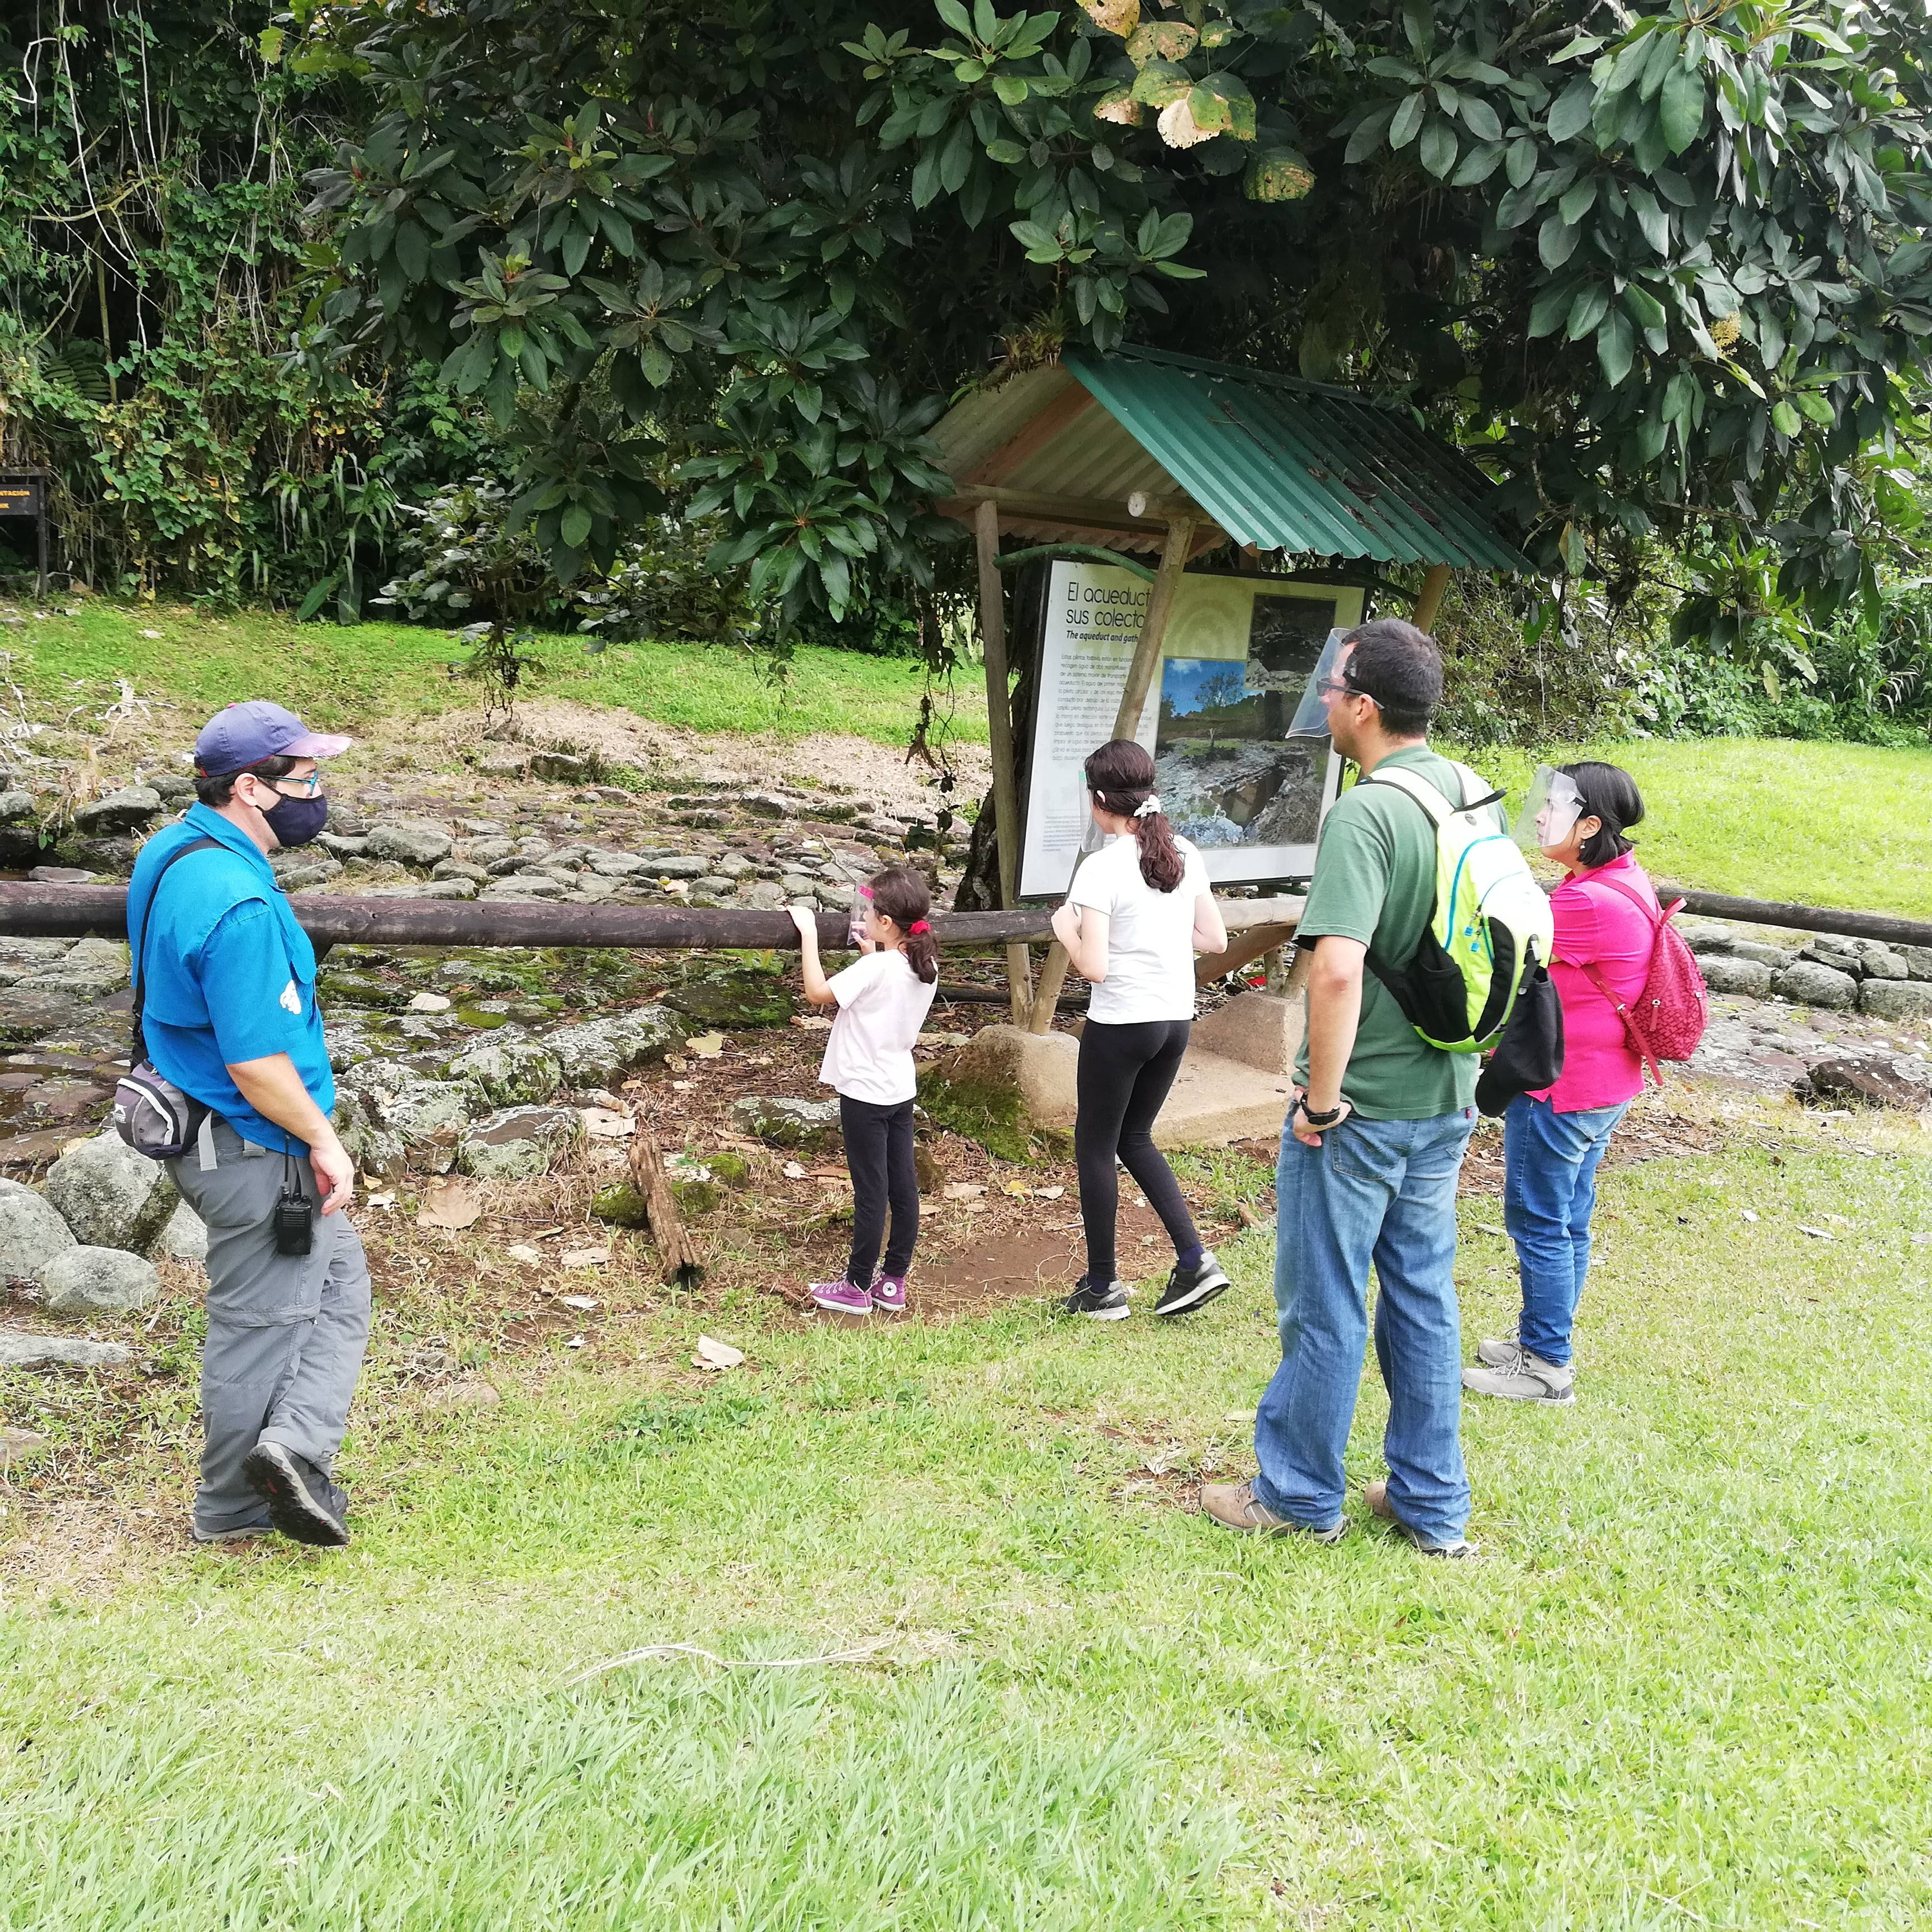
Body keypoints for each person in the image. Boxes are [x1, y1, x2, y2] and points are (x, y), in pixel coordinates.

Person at [1201, 620, 1494, 1556]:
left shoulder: (1368, 813)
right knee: (1421, 1294)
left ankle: (1295, 1495)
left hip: (1362, 1106)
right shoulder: (1465, 794)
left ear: (1363, 707)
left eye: (1330, 688)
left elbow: (1335, 971)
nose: (1322, 701)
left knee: (1324, 1296)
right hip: (1446, 1094)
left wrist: (1320, 1102)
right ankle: (1430, 1503)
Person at [126, 700, 367, 1549]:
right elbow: (258, 1063)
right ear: (250, 789)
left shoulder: (173, 851)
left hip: (195, 1124)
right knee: (259, 1327)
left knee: (340, 1292)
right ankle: (232, 1508)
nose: (316, 792)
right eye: (303, 777)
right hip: (253, 1145)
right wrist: (325, 1141)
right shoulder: (241, 903)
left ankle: (294, 1450)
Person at [1463, 763, 1654, 1405]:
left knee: (1541, 1222)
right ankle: (1542, 1342)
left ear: (1591, 824)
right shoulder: (1619, 881)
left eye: (1553, 807)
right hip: (1604, 1084)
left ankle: (1546, 1366)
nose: (1540, 817)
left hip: (1562, 1089)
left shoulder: (1582, 903)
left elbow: (1493, 956)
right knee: (1568, 1220)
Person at [1049, 738, 1229, 1321]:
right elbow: (1215, 940)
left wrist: (1063, 929)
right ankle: (1194, 1261)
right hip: (1175, 1019)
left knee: (1097, 1146)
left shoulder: (1102, 868)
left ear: (1100, 800)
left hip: (1122, 1023)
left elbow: (1094, 966)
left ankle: (1102, 1287)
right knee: (1136, 1138)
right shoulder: (1184, 852)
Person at [789, 866, 939, 1315]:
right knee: (902, 1186)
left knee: (870, 1190)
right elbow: (887, 983)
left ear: (887, 922)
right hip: (897, 1086)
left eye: (871, 912)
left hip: (864, 1093)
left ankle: (855, 1286)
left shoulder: (875, 968)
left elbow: (817, 992)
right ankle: (893, 1281)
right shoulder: (923, 962)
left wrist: (808, 934)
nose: (866, 916)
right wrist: (872, 952)